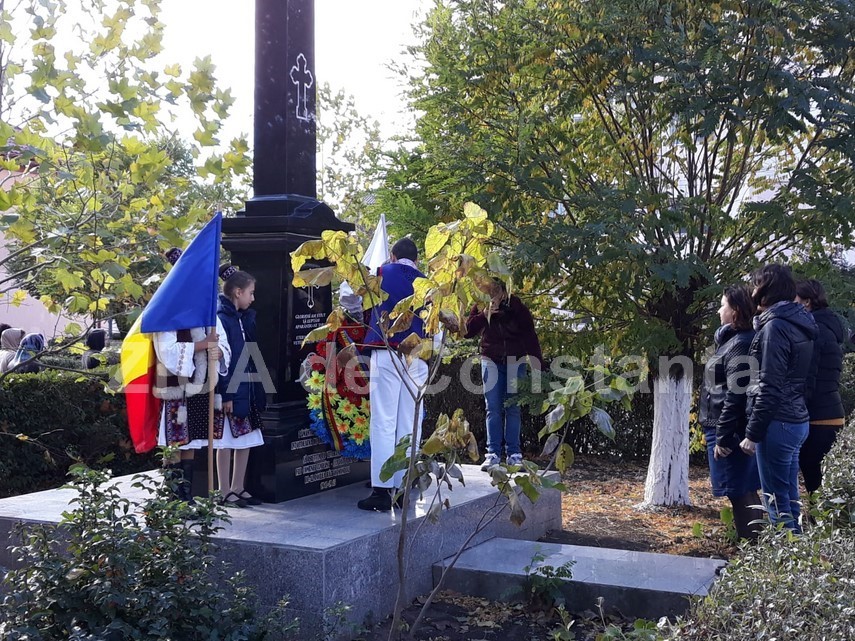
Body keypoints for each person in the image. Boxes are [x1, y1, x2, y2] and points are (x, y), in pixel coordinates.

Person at [740, 264, 817, 533]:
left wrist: (753, 432)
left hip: (778, 422)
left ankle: (783, 565)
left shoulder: (776, 327)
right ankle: (796, 559)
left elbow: (770, 384)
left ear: (765, 290)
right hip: (796, 420)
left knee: (776, 502)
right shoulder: (802, 323)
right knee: (788, 499)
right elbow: (808, 380)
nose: (751, 290)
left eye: (755, 284)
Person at [153, 247, 231, 503]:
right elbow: (166, 350)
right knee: (175, 443)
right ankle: (173, 497)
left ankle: (186, 497)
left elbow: (220, 340)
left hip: (201, 386)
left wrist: (218, 351)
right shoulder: (168, 309)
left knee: (192, 442)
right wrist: (202, 345)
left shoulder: (205, 308)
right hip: (177, 386)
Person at [358, 237, 428, 511]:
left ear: (392, 255)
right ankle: (404, 484)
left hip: (387, 349)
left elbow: (355, 300)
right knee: (410, 421)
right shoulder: (426, 281)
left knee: (384, 420)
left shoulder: (382, 272)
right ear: (417, 259)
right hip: (419, 355)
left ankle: (382, 489)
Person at [699, 286, 762, 539]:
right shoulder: (734, 340)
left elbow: (735, 394)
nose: (718, 310)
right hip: (728, 426)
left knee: (740, 492)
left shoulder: (740, 343)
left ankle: (750, 555)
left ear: (735, 311)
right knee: (743, 490)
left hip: (728, 428)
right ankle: (752, 554)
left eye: (722, 305)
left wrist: (724, 435)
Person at [464, 278, 542, 470]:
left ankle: (514, 453)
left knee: (513, 408)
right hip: (490, 359)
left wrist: (538, 364)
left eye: (498, 292)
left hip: (515, 360)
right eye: (491, 291)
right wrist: (484, 315)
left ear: (505, 292)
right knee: (493, 407)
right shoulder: (481, 305)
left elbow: (530, 335)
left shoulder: (517, 307)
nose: (495, 296)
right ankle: (493, 454)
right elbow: (467, 331)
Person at [215, 264, 266, 507]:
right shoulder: (222, 319)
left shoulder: (244, 318)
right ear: (237, 292)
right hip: (231, 387)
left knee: (247, 436)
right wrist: (225, 393)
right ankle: (224, 490)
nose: (253, 298)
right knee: (225, 439)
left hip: (246, 384)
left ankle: (239, 486)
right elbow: (223, 358)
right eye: (251, 293)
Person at [795, 279, 845, 494]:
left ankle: (817, 526)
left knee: (815, 482)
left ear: (806, 302)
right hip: (830, 412)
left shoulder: (815, 331)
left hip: (818, 416)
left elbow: (808, 378)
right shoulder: (828, 328)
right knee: (818, 481)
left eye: (793, 299)